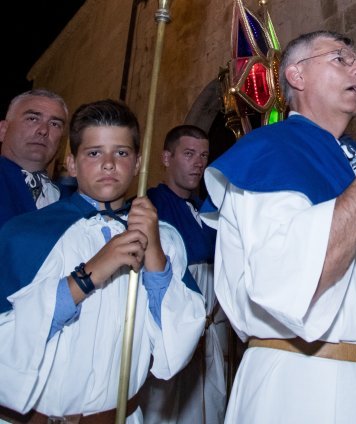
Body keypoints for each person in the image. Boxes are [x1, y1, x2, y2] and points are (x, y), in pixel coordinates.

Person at [202, 30, 356, 422]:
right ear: (297, 76)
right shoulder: (270, 150)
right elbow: (300, 277)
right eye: (340, 58)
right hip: (310, 387)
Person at [0, 98, 205, 422]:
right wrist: (90, 274)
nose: (109, 164)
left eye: (121, 153)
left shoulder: (165, 238)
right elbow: (9, 335)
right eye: (94, 153)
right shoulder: (26, 233)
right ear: (71, 163)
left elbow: (177, 343)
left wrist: (154, 256)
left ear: (138, 163)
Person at [141, 125, 227, 424]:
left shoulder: (208, 210)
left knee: (209, 407)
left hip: (213, 326)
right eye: (188, 154)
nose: (198, 163)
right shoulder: (151, 205)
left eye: (203, 155)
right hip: (175, 325)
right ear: (167, 158)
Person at [0, 89, 69, 230]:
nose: (43, 130)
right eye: (32, 119)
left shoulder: (75, 202)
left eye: (55, 124)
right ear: (3, 130)